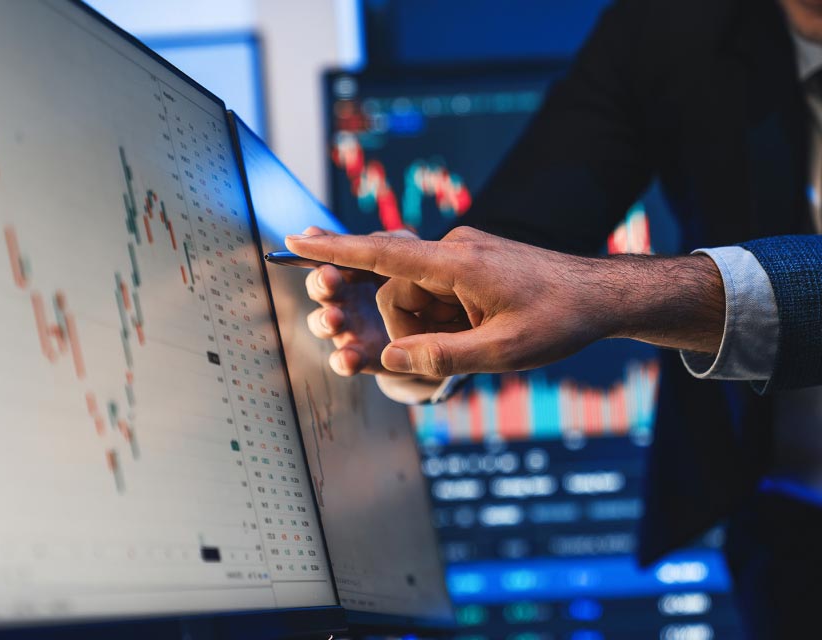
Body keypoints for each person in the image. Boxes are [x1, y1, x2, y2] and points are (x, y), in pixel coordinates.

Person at [291, 0, 822, 636]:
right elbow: (527, 225)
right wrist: (433, 310)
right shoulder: (672, 24)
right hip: (788, 518)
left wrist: (613, 295)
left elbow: (577, 286)